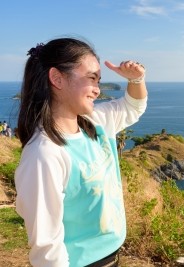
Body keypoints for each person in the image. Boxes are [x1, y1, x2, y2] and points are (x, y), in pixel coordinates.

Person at [15, 37, 148, 267]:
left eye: (99, 80)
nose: (97, 90)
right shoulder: (44, 154)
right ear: (57, 78)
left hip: (112, 257)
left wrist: (136, 79)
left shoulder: (95, 123)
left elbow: (132, 107)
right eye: (91, 79)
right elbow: (48, 250)